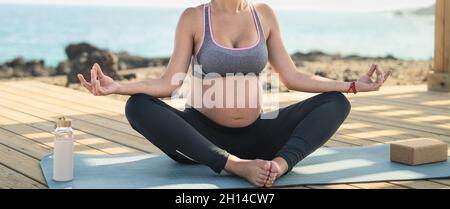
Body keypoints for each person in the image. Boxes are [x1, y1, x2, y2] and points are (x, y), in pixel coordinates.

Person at [78, 0, 390, 187]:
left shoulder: (263, 14)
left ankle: (278, 167)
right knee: (138, 107)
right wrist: (118, 87)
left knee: (335, 103)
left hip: (261, 137)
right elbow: (168, 83)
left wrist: (350, 85)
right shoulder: (193, 17)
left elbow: (293, 76)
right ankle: (235, 165)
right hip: (200, 138)